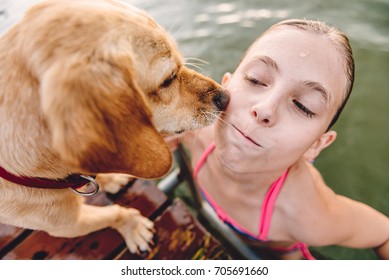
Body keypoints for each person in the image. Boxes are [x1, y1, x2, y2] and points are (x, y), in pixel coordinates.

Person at [167, 19, 389, 259]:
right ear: (225, 85)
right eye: (255, 79)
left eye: (304, 106)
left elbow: (384, 234)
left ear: (317, 144)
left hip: (276, 249)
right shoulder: (194, 130)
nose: (265, 109)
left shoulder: (308, 215)